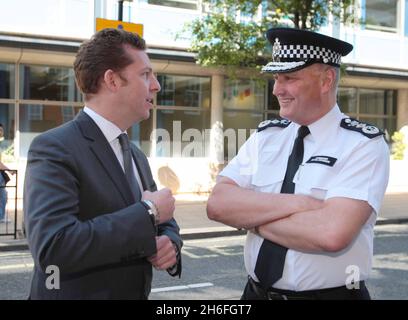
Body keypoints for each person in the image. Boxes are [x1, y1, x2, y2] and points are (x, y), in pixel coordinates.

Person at [207, 28, 389, 300]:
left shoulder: (363, 144)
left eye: (289, 78)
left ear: (326, 80)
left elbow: (331, 235)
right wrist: (300, 204)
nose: (277, 89)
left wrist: (251, 218)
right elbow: (218, 205)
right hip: (255, 294)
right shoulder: (266, 138)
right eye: (276, 78)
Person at [24, 28, 182, 299]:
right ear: (112, 80)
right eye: (145, 75)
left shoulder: (135, 155)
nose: (156, 85)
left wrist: (171, 243)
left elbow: (163, 220)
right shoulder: (54, 147)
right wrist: (149, 212)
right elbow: (53, 247)